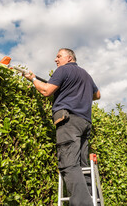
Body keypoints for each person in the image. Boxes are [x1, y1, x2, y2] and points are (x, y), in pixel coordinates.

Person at [23, 48, 100, 206]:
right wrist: (79, 93)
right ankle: (94, 201)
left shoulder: (63, 70)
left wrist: (32, 79)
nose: (56, 60)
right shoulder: (86, 74)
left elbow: (46, 91)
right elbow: (97, 95)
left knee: (69, 164)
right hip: (85, 123)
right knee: (82, 166)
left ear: (69, 58)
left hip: (69, 121)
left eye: (59, 56)